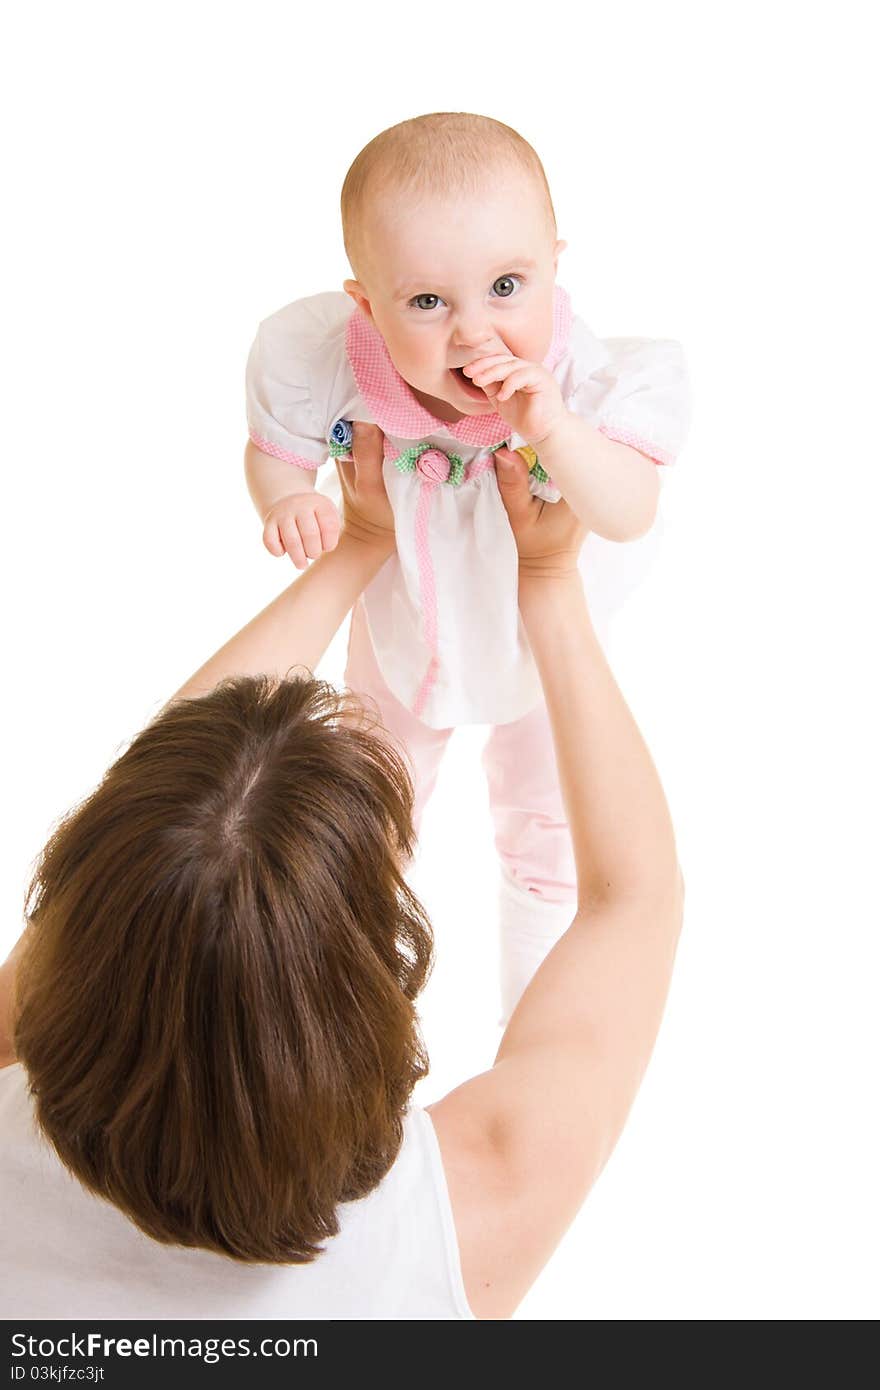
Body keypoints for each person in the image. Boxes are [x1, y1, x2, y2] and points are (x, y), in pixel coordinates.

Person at [0, 427, 683, 1320]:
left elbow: (125, 867)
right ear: (367, 982)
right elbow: (634, 898)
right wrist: (550, 585)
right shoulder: (468, 1213)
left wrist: (358, 548)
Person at [244, 111, 691, 1022]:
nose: (472, 331)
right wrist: (286, 498)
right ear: (365, 303)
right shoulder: (329, 357)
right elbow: (274, 448)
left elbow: (630, 510)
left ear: (554, 265)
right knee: (368, 806)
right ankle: (350, 996)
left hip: (540, 654)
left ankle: (535, 1018)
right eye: (427, 302)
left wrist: (554, 430)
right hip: (402, 624)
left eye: (505, 286)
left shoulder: (589, 382)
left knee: (548, 826)